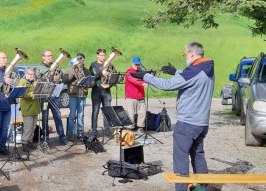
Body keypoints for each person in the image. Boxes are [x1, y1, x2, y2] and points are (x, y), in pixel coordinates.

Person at [131, 42, 214, 191]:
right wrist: (176, 72)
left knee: (180, 157)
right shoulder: (207, 69)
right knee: (198, 154)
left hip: (188, 122)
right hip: (201, 122)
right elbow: (192, 79)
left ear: (192, 54)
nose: (185, 57)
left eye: (185, 54)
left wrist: (146, 76)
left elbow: (167, 85)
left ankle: (181, 189)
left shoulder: (193, 71)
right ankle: (204, 188)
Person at [36, 49, 71, 146]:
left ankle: (62, 138)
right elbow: (39, 80)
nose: (51, 57)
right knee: (45, 117)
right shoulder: (40, 68)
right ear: (43, 57)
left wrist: (58, 80)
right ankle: (46, 139)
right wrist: (49, 77)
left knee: (58, 116)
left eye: (51, 55)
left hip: (54, 96)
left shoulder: (55, 67)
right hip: (44, 97)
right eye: (48, 56)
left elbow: (60, 77)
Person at [62, 53, 91, 141]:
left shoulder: (86, 71)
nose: (81, 61)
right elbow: (64, 80)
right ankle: (70, 134)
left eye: (82, 60)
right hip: (73, 95)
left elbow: (91, 82)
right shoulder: (69, 70)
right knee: (71, 116)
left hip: (82, 95)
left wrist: (87, 84)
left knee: (80, 116)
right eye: (79, 59)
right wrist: (74, 73)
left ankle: (79, 133)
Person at [89, 49, 115, 137]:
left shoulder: (110, 65)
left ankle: (107, 132)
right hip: (96, 91)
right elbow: (92, 75)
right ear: (97, 55)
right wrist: (101, 72)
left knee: (107, 112)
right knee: (95, 112)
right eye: (101, 55)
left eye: (104, 55)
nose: (103, 57)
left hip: (107, 92)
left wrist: (109, 85)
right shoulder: (93, 65)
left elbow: (115, 77)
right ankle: (93, 132)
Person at [18, 67, 41, 152]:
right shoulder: (22, 82)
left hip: (35, 108)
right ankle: (24, 143)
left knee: (33, 127)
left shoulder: (32, 82)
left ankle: (30, 141)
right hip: (27, 109)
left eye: (33, 74)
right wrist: (36, 88)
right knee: (27, 127)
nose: (32, 76)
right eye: (31, 74)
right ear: (26, 74)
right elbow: (26, 95)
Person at [124, 56, 148, 133]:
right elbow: (133, 80)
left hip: (141, 96)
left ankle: (140, 128)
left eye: (138, 64)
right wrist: (142, 83)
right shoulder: (129, 72)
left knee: (142, 113)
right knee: (131, 114)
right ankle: (130, 129)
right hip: (131, 97)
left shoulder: (141, 72)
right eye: (135, 64)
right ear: (132, 63)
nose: (137, 66)